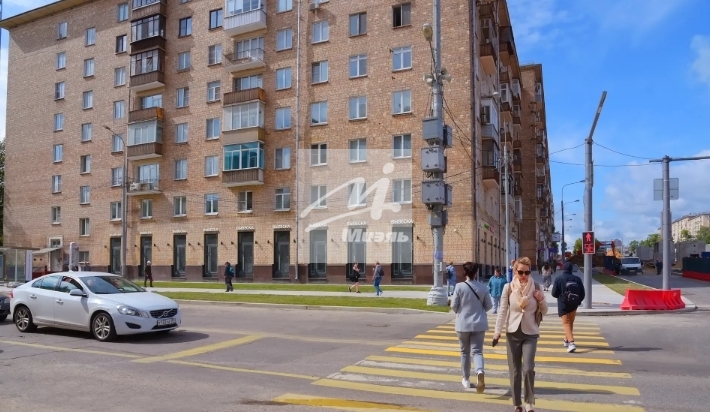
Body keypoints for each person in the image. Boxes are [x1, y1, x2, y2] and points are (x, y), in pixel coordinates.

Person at [494, 257, 548, 412]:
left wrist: (541, 299)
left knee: (529, 368)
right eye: (520, 272)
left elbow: (545, 311)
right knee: (515, 370)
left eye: (527, 272)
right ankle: (517, 404)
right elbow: (502, 311)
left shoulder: (536, 287)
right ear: (515, 271)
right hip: (513, 333)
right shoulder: (508, 288)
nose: (524, 275)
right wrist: (497, 331)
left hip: (530, 333)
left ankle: (529, 403)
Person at [450, 262, 492, 393]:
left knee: (465, 352)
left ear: (465, 272)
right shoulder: (483, 287)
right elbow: (489, 305)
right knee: (477, 351)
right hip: (479, 324)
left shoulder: (459, 287)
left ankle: (466, 379)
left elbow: (454, 306)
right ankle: (480, 371)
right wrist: (479, 311)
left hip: (462, 324)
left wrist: (460, 311)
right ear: (476, 273)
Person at [551, 262, 586, 353]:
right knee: (570, 323)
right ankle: (566, 340)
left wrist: (561, 297)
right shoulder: (577, 279)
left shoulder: (559, 278)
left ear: (564, 268)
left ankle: (571, 343)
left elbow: (554, 293)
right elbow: (582, 294)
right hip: (574, 305)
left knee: (566, 323)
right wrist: (577, 301)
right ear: (571, 269)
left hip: (563, 305)